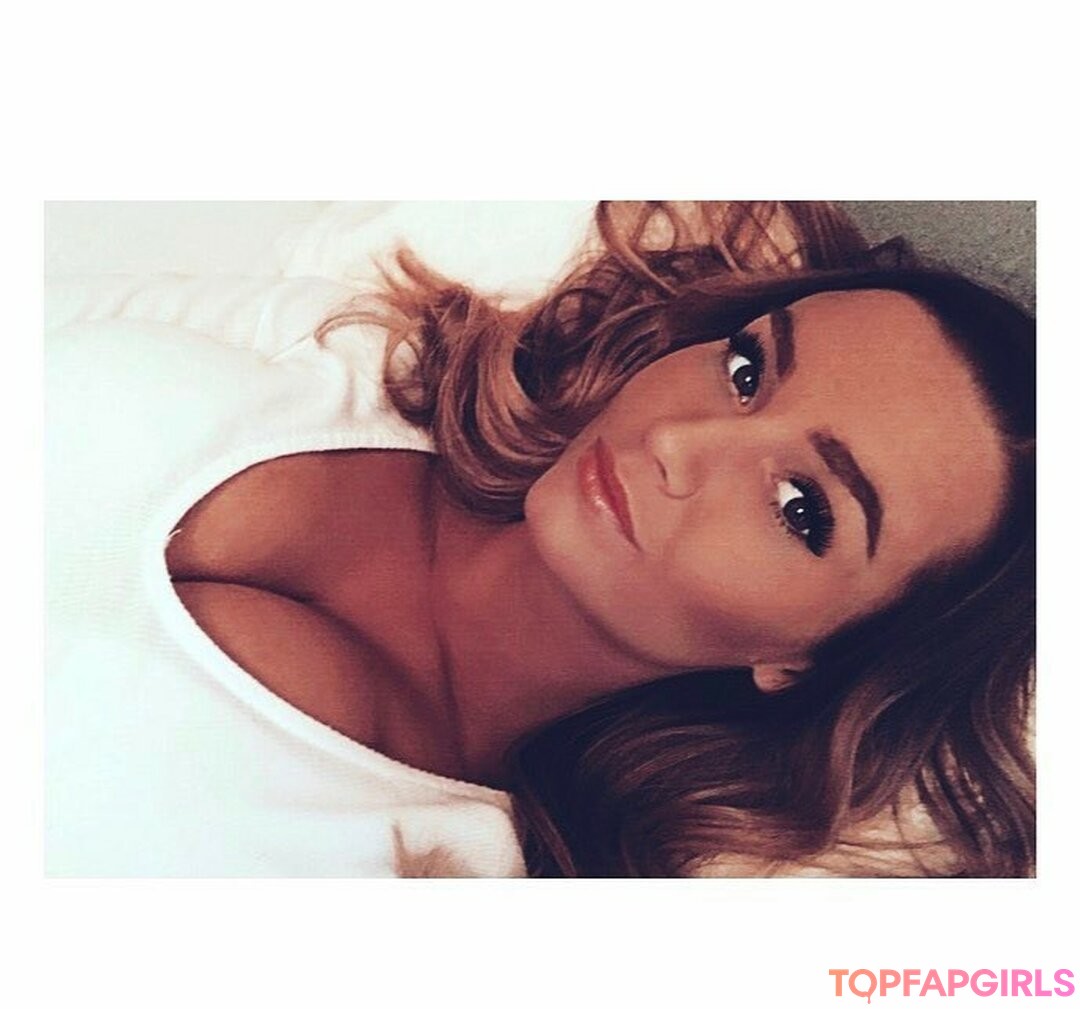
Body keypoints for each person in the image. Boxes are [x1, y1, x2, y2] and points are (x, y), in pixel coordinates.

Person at [45, 201, 1034, 878]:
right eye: (745, 370)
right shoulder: (358, 353)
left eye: (800, 505)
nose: (679, 442)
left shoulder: (414, 869)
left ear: (805, 656)